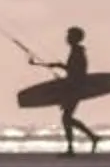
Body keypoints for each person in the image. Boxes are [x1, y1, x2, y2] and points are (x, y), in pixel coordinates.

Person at [39, 25, 101, 156]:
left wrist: (68, 91)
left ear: (75, 38)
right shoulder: (76, 51)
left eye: (69, 36)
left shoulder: (78, 52)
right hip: (73, 88)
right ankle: (91, 138)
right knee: (67, 118)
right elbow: (73, 70)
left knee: (66, 118)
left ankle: (73, 147)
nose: (66, 38)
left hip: (75, 88)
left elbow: (78, 72)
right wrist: (59, 66)